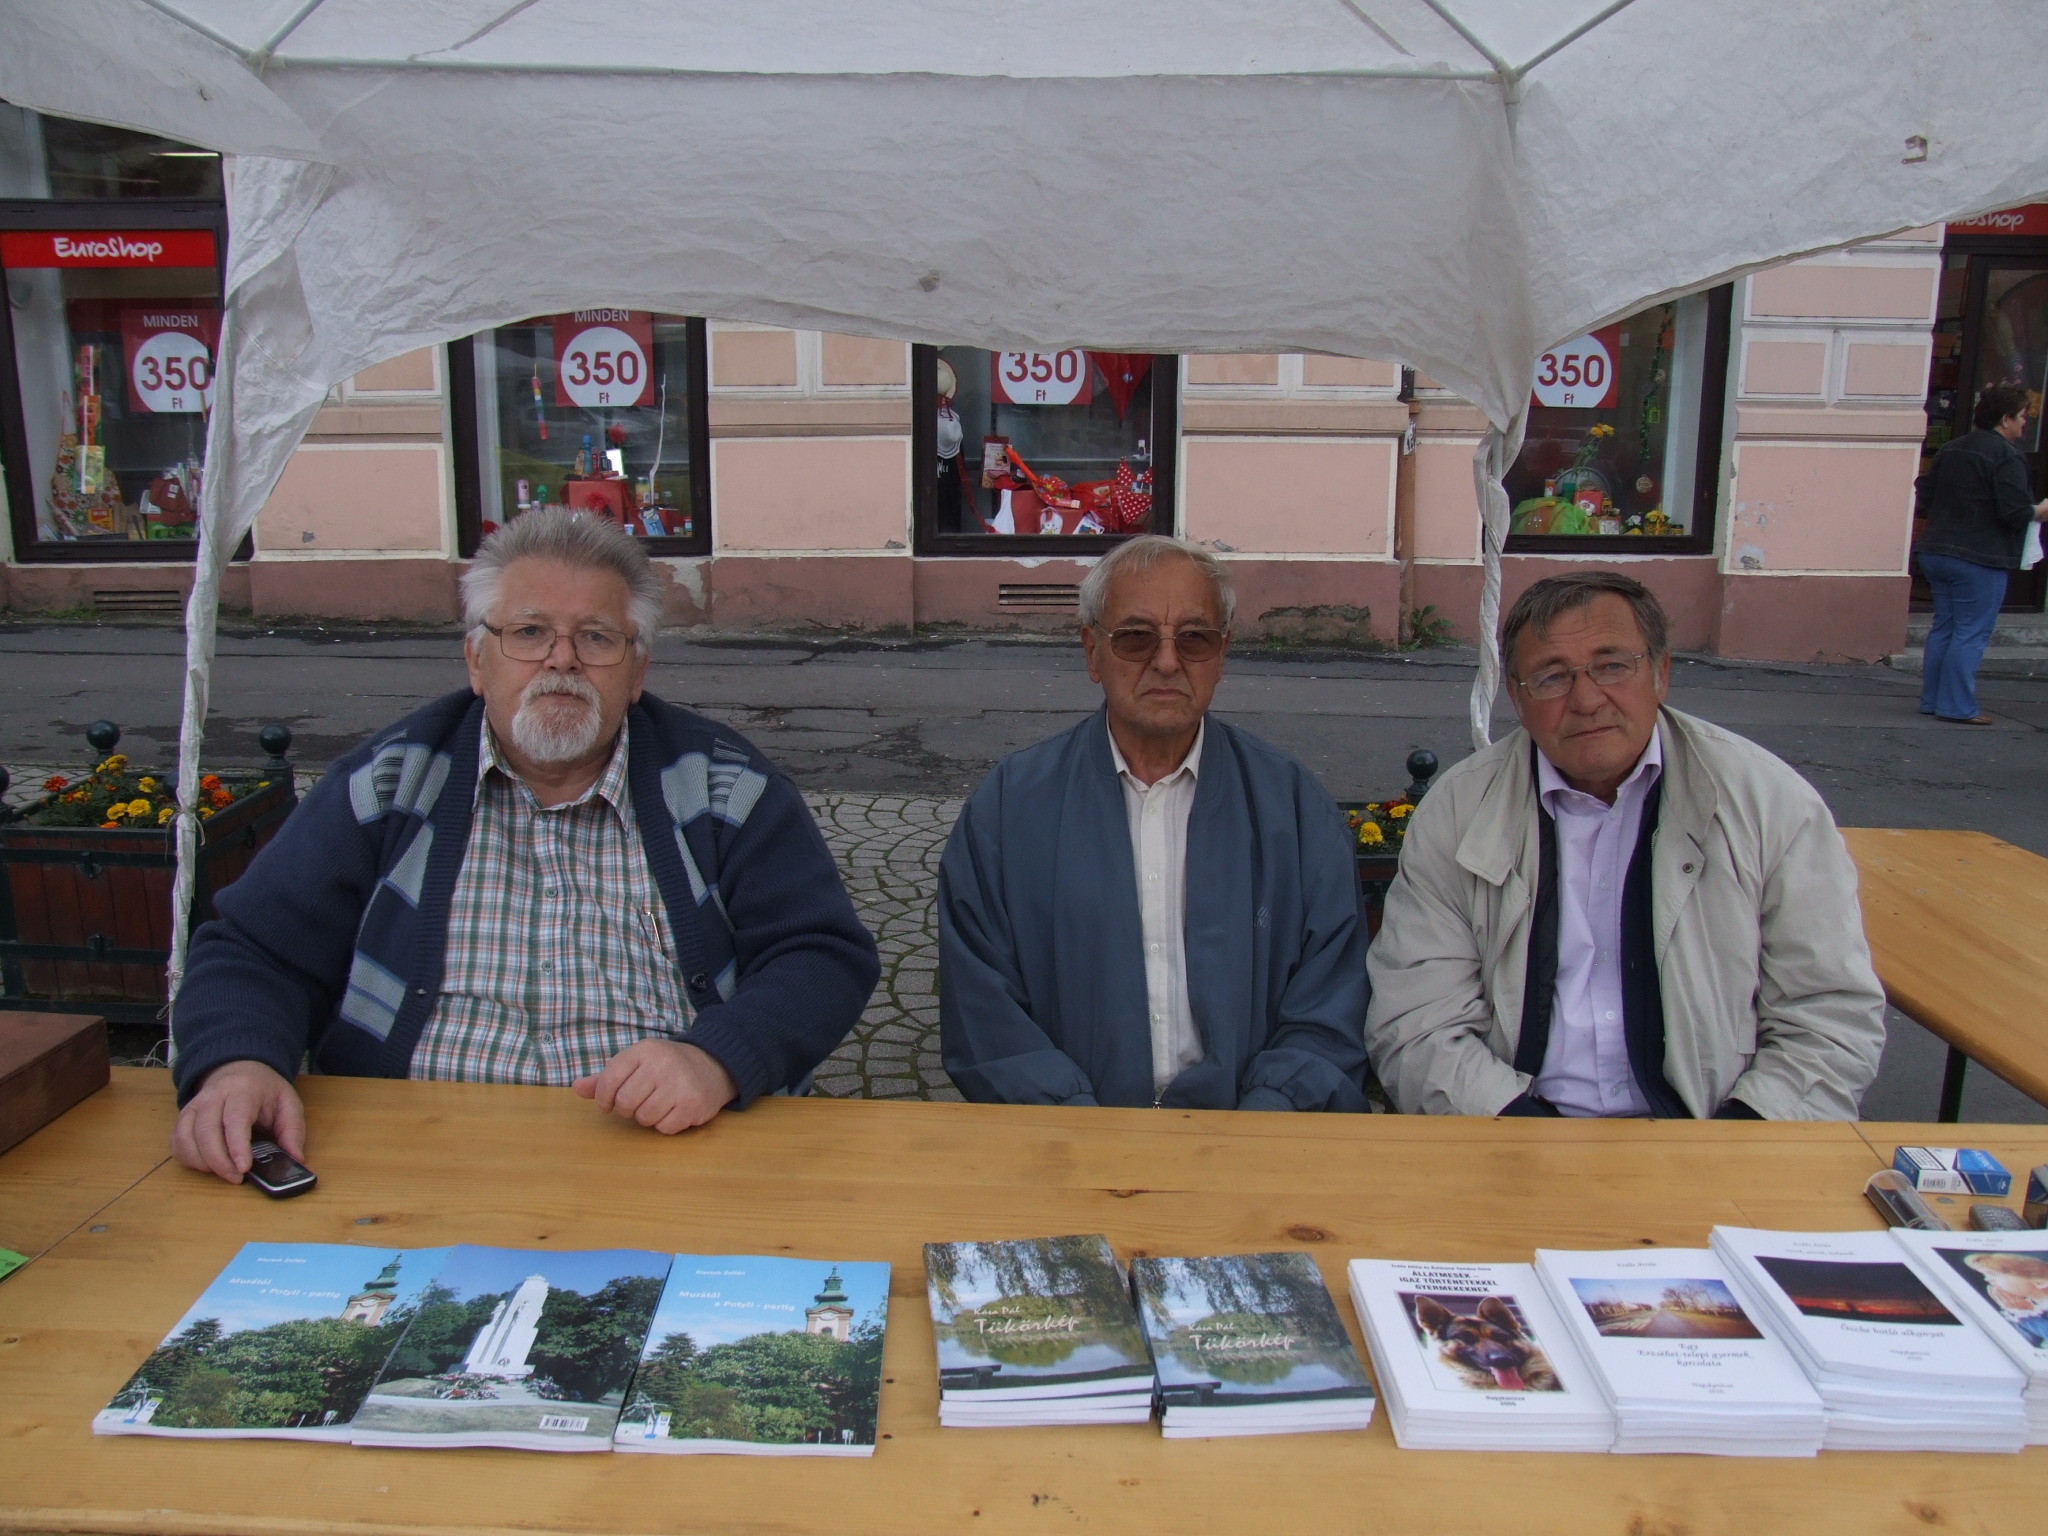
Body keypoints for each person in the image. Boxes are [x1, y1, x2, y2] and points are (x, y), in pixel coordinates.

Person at [171, 508, 879, 1182]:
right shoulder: (391, 782)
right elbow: (256, 948)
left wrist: (716, 1059)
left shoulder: (725, 788)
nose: (561, 661)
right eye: (530, 632)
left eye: (597, 638)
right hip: (403, 1159)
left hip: (672, 1154)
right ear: (477, 662)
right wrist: (240, 1062)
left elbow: (821, 953)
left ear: (637, 672)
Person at [1365, 571, 1884, 1120]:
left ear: (1661, 673)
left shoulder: (1768, 802)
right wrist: (1521, 1136)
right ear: (1516, 697)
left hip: (1714, 1131)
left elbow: (1828, 1014)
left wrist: (1738, 1138)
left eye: (1612, 666)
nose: (1587, 699)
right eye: (1551, 677)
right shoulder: (1458, 811)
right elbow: (1417, 1020)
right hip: (1508, 1128)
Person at [938, 535, 1370, 1110]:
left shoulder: (1293, 810)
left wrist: (1263, 1122)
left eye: (1194, 638)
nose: (1167, 662)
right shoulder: (1009, 808)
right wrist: (1076, 1128)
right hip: (1064, 1140)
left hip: (1250, 1138)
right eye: (1136, 637)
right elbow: (984, 1015)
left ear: (1222, 653)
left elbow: (1329, 1006)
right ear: (1092, 652)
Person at [1916, 382, 2048, 724]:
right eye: (2022, 416)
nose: (2025, 424)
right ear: (2005, 418)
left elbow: (1924, 491)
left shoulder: (1952, 448)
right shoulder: (2007, 456)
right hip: (1979, 556)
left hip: (1936, 549)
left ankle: (1932, 699)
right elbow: (2014, 512)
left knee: (1944, 627)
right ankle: (1957, 706)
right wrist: (2040, 510)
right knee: (1971, 632)